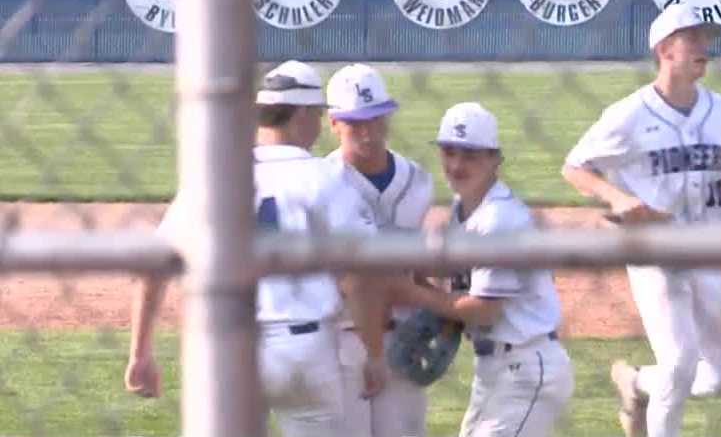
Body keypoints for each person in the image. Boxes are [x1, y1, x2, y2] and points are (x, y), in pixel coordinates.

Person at [124, 60, 386, 437]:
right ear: (305, 114)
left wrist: (140, 354)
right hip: (304, 350)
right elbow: (359, 279)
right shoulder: (327, 179)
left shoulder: (216, 176)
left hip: (225, 346)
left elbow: (154, 266)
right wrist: (373, 353)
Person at [561, 3, 721, 437]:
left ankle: (638, 382)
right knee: (680, 363)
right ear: (665, 48)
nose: (704, 47)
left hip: (708, 249)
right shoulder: (630, 114)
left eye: (707, 39)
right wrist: (618, 198)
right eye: (693, 38)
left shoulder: (720, 109)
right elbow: (575, 166)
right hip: (653, 252)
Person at [390, 102, 575, 437]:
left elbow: (484, 311)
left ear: (495, 160)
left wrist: (413, 292)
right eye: (449, 152)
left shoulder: (499, 219)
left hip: (527, 367)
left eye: (471, 155)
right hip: (494, 370)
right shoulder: (464, 209)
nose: (457, 165)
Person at [324, 63, 435, 437]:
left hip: (403, 339)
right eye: (356, 123)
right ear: (333, 123)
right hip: (341, 341)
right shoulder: (319, 185)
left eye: (376, 119)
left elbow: (418, 264)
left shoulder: (418, 181)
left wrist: (440, 307)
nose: (368, 133)